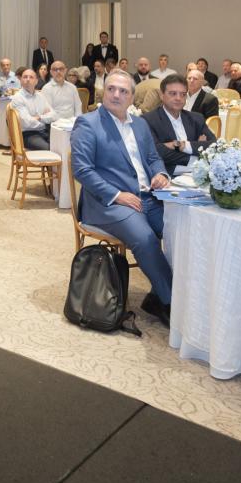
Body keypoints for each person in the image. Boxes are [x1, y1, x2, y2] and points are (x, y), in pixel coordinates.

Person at [70, 70, 173, 326]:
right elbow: (82, 170)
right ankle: (171, 302)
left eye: (123, 91)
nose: (116, 95)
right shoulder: (88, 123)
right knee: (145, 238)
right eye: (111, 89)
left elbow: (152, 158)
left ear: (131, 97)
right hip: (107, 203)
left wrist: (160, 173)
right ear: (103, 92)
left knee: (180, 230)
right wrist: (117, 195)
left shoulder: (140, 124)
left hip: (148, 197)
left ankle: (157, 294)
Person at [143, 75, 216, 176]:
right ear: (162, 95)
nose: (178, 98)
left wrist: (181, 145)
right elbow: (155, 152)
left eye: (183, 94)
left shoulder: (196, 118)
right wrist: (197, 151)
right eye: (173, 93)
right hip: (168, 176)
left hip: (199, 174)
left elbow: (213, 145)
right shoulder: (148, 120)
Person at [11, 67, 57, 150]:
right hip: (28, 134)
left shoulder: (41, 96)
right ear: (21, 80)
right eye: (25, 77)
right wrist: (45, 120)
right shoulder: (18, 98)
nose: (28, 79)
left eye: (31, 77)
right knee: (49, 149)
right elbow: (27, 123)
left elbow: (54, 115)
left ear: (36, 81)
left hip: (45, 130)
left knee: (61, 146)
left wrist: (39, 117)